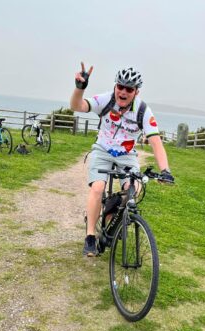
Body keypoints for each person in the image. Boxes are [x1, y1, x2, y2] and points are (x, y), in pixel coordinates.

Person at [70, 62, 174, 257]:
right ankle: (90, 236)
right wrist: (79, 88)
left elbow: (156, 142)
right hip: (102, 149)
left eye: (129, 89)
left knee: (134, 190)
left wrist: (165, 170)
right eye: (120, 87)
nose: (123, 92)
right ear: (115, 86)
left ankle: (111, 212)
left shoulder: (143, 111)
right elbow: (77, 106)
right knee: (98, 187)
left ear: (136, 92)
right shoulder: (106, 100)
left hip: (126, 154)